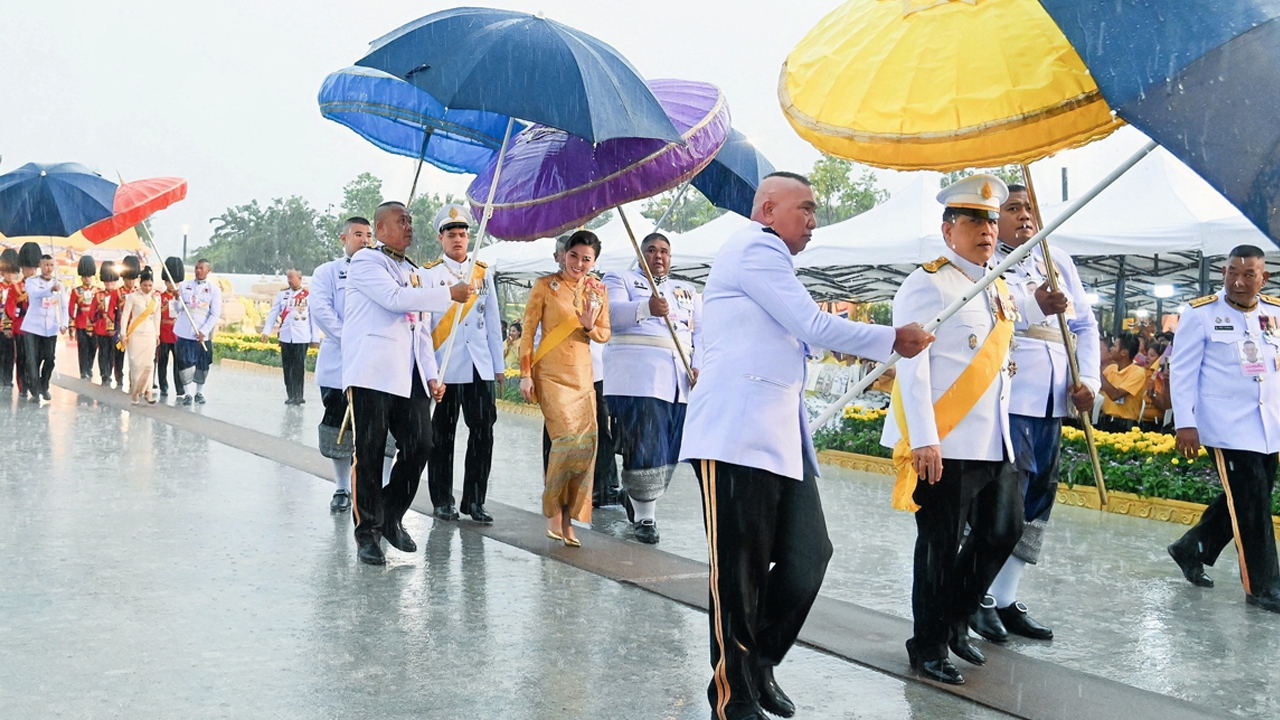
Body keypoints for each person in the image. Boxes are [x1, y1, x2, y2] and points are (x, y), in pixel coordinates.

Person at [681, 172, 932, 719]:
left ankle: (760, 661)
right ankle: (733, 694)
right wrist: (892, 338)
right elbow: (812, 324)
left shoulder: (772, 260)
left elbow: (792, 337)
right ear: (768, 209)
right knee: (738, 573)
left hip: (776, 437)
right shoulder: (756, 247)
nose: (813, 221)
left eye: (814, 211)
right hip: (733, 434)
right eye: (806, 209)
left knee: (807, 557)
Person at [881, 174, 1023, 686]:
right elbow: (912, 367)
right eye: (972, 222)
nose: (986, 231)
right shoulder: (929, 282)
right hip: (945, 439)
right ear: (948, 231)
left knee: (1005, 530)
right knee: (939, 547)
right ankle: (928, 645)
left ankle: (956, 620)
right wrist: (922, 437)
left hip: (992, 440)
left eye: (990, 221)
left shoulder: (1001, 286)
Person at [969, 184, 1100, 645]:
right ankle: (976, 596)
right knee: (1002, 504)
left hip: (1054, 397)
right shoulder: (984, 259)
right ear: (993, 217)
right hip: (1009, 396)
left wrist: (1091, 382)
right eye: (1013, 209)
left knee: (1037, 503)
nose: (1025, 216)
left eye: (1030, 207)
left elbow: (1084, 324)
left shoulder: (1056, 258)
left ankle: (1005, 598)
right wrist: (1032, 310)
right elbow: (983, 319)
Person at [343, 201, 470, 565]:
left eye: (411, 221)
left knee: (420, 445)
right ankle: (367, 531)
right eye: (402, 221)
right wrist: (448, 293)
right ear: (380, 229)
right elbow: (394, 300)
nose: (410, 227)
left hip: (410, 374)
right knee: (369, 452)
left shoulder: (414, 270)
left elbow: (421, 330)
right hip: (372, 371)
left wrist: (432, 374)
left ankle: (390, 512)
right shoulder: (367, 262)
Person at [1166, 244, 1280, 613]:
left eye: (1249, 274)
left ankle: (1191, 547)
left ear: (1264, 278)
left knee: (1251, 497)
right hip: (1227, 425)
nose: (1239, 280)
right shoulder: (1200, 314)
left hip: (1269, 424)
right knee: (1251, 505)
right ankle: (1263, 586)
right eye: (1233, 271)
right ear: (1223, 272)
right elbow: (1182, 372)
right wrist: (1186, 422)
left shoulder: (1275, 313)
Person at [603, 231, 702, 544]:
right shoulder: (620, 279)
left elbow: (701, 334)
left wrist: (701, 364)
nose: (658, 256)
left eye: (664, 251)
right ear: (640, 253)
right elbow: (610, 316)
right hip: (639, 379)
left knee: (669, 448)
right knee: (647, 445)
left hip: (678, 382)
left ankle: (634, 497)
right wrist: (646, 307)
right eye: (651, 250)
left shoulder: (686, 290)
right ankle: (646, 519)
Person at [519, 230, 612, 548]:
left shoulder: (598, 289)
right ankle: (553, 513)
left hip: (583, 376)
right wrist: (525, 373)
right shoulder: (545, 286)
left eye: (587, 258)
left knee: (585, 447)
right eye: (574, 256)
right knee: (564, 441)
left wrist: (588, 324)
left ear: (595, 260)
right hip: (550, 374)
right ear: (563, 255)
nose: (579, 263)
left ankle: (571, 518)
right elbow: (528, 329)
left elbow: (604, 332)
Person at [423, 204, 505, 524]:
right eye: (451, 234)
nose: (458, 240)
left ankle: (475, 500)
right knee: (442, 436)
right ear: (441, 238)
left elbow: (493, 322)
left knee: (483, 433)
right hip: (446, 366)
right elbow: (425, 326)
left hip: (479, 365)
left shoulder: (482, 271)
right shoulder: (430, 274)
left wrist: (498, 366)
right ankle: (443, 499)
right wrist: (428, 371)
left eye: (463, 234)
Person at [312, 216, 374, 514]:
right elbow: (321, 310)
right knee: (338, 425)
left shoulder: (381, 271)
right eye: (358, 234)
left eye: (369, 235)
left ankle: (374, 487)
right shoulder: (327, 273)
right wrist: (349, 337)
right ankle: (341, 487)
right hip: (338, 362)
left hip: (373, 362)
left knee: (374, 428)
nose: (365, 240)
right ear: (344, 238)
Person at [261, 269, 316, 405]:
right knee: (287, 367)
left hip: (301, 336)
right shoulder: (282, 294)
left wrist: (314, 338)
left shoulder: (308, 295)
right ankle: (290, 394)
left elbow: (313, 318)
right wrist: (266, 331)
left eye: (292, 277)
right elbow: (273, 314)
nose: (289, 280)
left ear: (300, 278)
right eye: (288, 277)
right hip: (286, 336)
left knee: (298, 366)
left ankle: (298, 395)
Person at [174, 259, 221, 405]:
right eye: (196, 268)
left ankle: (199, 392)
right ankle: (187, 393)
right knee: (184, 363)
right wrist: (177, 299)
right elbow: (177, 309)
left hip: (202, 334)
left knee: (203, 364)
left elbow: (214, 314)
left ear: (208, 271)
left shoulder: (214, 290)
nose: (198, 270)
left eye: (201, 268)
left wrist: (204, 331)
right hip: (185, 331)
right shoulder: (184, 286)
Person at [22, 254, 64, 403]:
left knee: (50, 358)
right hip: (33, 327)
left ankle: (44, 384)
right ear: (40, 265)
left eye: (51, 265)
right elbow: (35, 295)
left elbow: (63, 305)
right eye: (46, 265)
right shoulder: (31, 281)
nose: (48, 268)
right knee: (33, 360)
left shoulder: (59, 284)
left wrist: (64, 323)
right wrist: (50, 290)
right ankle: (34, 388)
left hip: (50, 327)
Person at [118, 268, 162, 404]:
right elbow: (125, 315)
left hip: (150, 334)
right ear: (140, 284)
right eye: (145, 285)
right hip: (136, 334)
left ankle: (148, 393)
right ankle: (136, 393)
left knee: (149, 364)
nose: (148, 288)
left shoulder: (156, 299)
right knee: (136, 364)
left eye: (150, 285)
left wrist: (157, 334)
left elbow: (157, 317)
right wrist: (123, 333)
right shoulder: (132, 297)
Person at [1099, 333, 1145, 431]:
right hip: (1105, 420)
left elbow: (1115, 395)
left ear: (1123, 352)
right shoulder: (1110, 369)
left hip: (1125, 425)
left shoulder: (1138, 373)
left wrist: (1098, 371)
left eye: (1115, 346)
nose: (1111, 348)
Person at [156, 257, 185, 399]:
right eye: (170, 281)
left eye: (176, 282)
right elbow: (157, 314)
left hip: (177, 333)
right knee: (163, 362)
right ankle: (163, 386)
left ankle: (180, 389)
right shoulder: (160, 297)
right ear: (166, 282)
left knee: (178, 364)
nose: (173, 284)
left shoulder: (183, 297)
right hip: (164, 332)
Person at [68, 255, 98, 379]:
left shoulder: (97, 291)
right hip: (81, 322)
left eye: (89, 276)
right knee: (83, 348)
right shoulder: (76, 291)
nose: (87, 279)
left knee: (93, 347)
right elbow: (71, 308)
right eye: (85, 276)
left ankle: (89, 366)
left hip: (94, 323)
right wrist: (71, 324)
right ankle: (83, 370)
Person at [93, 261, 122, 388]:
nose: (110, 284)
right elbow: (92, 312)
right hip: (101, 327)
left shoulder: (119, 294)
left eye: (112, 281)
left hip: (115, 327)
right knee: (103, 352)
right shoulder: (98, 295)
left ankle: (113, 374)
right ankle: (104, 374)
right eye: (107, 281)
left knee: (113, 353)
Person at [0, 249, 20, 388]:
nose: (10, 275)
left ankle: (7, 378)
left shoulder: (18, 289)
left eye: (13, 272)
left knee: (10, 354)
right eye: (7, 271)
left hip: (12, 325)